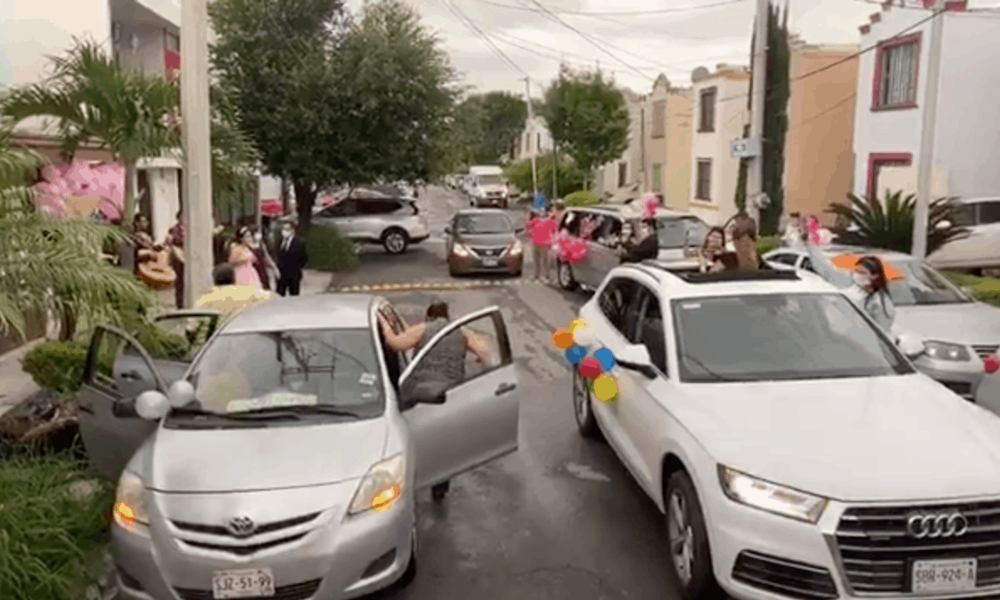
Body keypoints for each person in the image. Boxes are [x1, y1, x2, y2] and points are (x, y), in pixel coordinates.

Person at [377, 301, 488, 502]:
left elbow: (395, 344)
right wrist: (478, 359)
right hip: (450, 395)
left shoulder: (423, 329)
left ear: (429, 316)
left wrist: (384, 325)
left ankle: (409, 477)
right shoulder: (461, 332)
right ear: (448, 315)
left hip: (422, 392)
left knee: (413, 432)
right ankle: (439, 486)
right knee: (444, 440)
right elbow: (482, 351)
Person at [805, 242, 896, 333]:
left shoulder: (880, 303)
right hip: (835, 336)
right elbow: (824, 269)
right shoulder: (849, 283)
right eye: (856, 271)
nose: (857, 275)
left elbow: (880, 332)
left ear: (875, 276)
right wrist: (811, 244)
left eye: (862, 272)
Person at [196, 263, 273, 319]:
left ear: (214, 280)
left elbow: (193, 323)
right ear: (234, 278)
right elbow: (271, 298)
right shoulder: (248, 293)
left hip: (216, 337)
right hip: (242, 333)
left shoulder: (204, 299)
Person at [275, 221, 309, 296]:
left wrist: (297, 267)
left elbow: (304, 257)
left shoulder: (299, 242)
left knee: (294, 294)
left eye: (287, 229)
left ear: (292, 230)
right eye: (283, 229)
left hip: (294, 273)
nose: (284, 231)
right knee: (279, 294)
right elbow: (277, 254)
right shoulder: (279, 241)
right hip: (281, 273)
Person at [526, 208, 557, 282]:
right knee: (537, 260)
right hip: (536, 242)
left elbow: (555, 229)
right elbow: (528, 225)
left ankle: (547, 276)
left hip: (544, 244)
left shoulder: (550, 221)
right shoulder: (536, 220)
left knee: (544, 261)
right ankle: (537, 275)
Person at [166, 210, 186, 308]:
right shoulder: (174, 229)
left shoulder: (190, 228)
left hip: (189, 256)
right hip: (178, 257)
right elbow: (171, 243)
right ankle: (180, 303)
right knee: (180, 280)